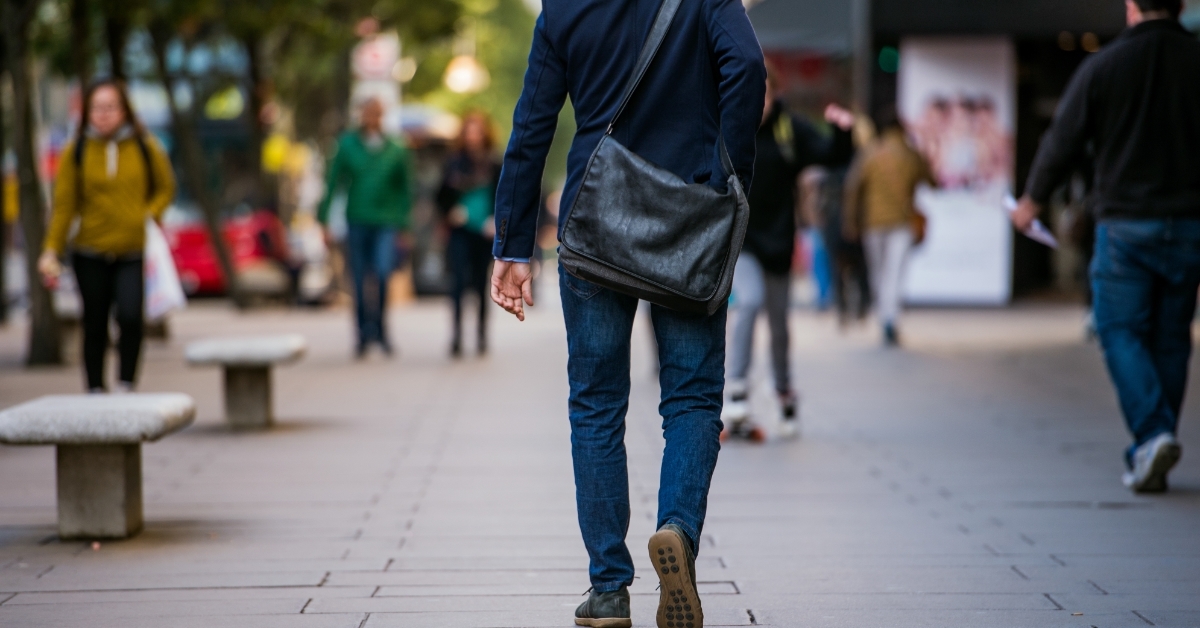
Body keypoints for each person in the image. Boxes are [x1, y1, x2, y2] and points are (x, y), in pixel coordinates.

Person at [489, 0, 765, 625]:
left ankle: (610, 588)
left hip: (595, 223)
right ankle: (678, 532)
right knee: (692, 397)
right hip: (688, 220)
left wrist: (511, 243)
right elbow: (746, 65)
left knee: (595, 404)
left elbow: (531, 124)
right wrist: (732, 174)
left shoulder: (564, 7)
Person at [1012, 0, 1200, 493]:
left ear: (1130, 7)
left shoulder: (1104, 65)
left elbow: (1063, 138)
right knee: (1173, 337)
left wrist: (1033, 199)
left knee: (1118, 328)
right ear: (1181, 7)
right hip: (1189, 223)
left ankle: (1152, 435)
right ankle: (1153, 442)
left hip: (1124, 224)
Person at [724, 69, 854, 439]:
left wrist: (843, 131)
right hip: (743, 241)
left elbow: (831, 155)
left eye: (764, 96)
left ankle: (782, 390)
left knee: (780, 325)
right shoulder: (731, 126)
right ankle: (736, 388)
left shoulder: (789, 130)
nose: (758, 105)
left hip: (779, 242)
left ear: (775, 95)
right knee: (748, 302)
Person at [38, 79, 176, 393]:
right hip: (90, 249)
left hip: (132, 249)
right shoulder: (77, 150)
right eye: (97, 108)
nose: (103, 114)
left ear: (124, 110)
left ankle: (127, 383)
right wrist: (51, 250)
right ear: (87, 112)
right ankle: (95, 388)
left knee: (130, 317)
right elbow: (64, 206)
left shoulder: (145, 146)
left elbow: (166, 188)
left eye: (110, 107)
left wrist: (148, 214)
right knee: (95, 322)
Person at [317, 97, 414, 358]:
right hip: (357, 219)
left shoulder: (396, 147)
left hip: (386, 221)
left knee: (383, 274)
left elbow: (405, 188)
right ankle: (362, 335)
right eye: (367, 113)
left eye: (376, 113)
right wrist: (323, 219)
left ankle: (381, 330)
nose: (372, 118)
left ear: (382, 116)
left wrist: (405, 224)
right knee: (358, 280)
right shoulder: (347, 145)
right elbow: (332, 183)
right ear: (361, 115)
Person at [843, 109, 936, 347]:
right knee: (895, 273)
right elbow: (932, 181)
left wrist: (851, 221)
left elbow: (853, 188)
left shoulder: (870, 153)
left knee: (878, 272)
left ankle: (884, 316)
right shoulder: (910, 154)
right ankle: (890, 320)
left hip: (873, 223)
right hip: (901, 222)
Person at [437, 111, 501, 357]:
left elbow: (503, 196)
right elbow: (440, 195)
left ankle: (482, 334)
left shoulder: (494, 163)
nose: (473, 136)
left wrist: (496, 220)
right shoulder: (453, 162)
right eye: (469, 131)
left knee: (480, 282)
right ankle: (456, 335)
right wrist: (450, 211)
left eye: (477, 131)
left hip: (485, 232)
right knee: (457, 282)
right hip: (460, 231)